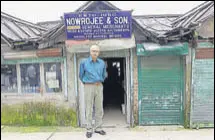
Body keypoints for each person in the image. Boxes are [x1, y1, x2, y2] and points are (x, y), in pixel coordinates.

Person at [79, 44, 107, 138]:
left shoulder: (102, 63)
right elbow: (81, 75)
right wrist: (87, 83)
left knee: (99, 107)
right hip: (88, 86)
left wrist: (100, 81)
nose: (95, 53)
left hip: (99, 86)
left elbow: (104, 74)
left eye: (97, 51)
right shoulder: (84, 62)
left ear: (99, 52)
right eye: (93, 51)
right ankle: (89, 129)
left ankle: (98, 128)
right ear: (90, 52)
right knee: (89, 107)